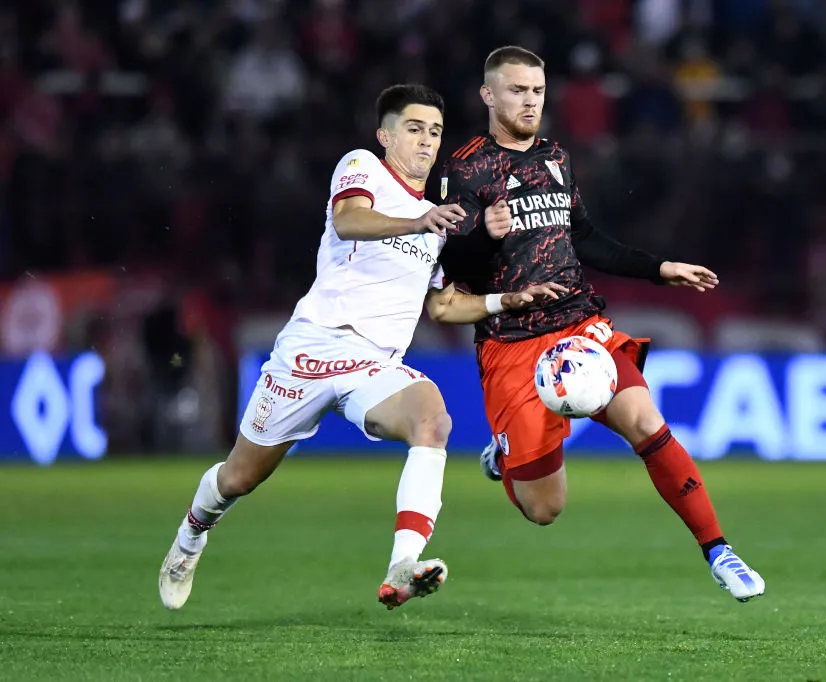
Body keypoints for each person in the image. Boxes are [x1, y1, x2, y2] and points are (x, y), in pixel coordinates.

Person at [158, 83, 567, 612]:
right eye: (414, 129)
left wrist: (503, 300)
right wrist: (415, 221)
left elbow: (442, 307)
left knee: (432, 421)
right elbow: (347, 219)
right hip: (310, 350)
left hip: (373, 366)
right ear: (385, 135)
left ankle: (403, 565)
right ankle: (190, 538)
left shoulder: (441, 217)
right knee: (238, 477)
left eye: (435, 132)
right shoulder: (364, 169)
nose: (426, 142)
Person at [439, 47, 765, 601]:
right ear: (488, 95)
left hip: (578, 324)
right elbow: (452, 272)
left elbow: (584, 239)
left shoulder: (556, 157)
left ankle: (719, 551)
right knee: (545, 509)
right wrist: (481, 237)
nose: (530, 101)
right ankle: (505, 455)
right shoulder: (465, 168)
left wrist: (660, 269)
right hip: (512, 342)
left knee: (645, 421)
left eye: (538, 91)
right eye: (517, 90)